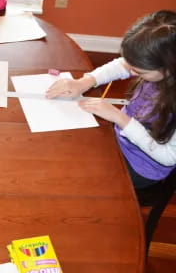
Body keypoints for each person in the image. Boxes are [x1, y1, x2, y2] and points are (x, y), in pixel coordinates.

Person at [46, 10, 176, 189]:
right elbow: (121, 65)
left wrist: (120, 119)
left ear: (169, 68)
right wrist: (85, 82)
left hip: (141, 166)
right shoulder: (157, 68)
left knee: (73, 178)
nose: (131, 73)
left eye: (139, 72)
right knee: (66, 148)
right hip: (121, 137)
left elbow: (168, 157)